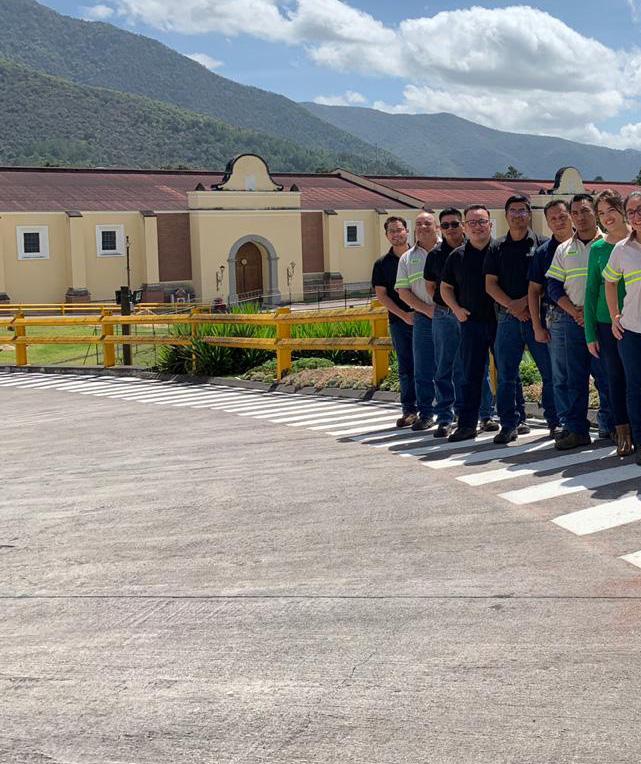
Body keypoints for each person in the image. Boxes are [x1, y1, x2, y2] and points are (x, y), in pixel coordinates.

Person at [484, 195, 558, 443]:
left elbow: (548, 282)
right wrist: (512, 306)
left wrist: (525, 304)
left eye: (522, 210)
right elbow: (490, 284)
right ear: (506, 215)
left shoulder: (543, 244)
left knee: (550, 373)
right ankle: (509, 424)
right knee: (506, 374)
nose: (518, 215)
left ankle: (555, 423)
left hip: (539, 316)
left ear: (530, 214)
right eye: (513, 211)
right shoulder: (496, 246)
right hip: (507, 318)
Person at [546, 194, 614, 450]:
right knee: (574, 379)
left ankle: (612, 426)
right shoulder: (564, 249)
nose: (580, 217)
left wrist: (592, 312)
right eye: (575, 213)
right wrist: (573, 311)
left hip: (602, 322)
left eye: (585, 211)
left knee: (607, 376)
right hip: (572, 321)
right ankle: (577, 430)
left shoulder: (610, 244)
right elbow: (553, 286)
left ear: (595, 212)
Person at [424, 207, 498, 438]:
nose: (477, 226)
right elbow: (440, 288)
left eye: (482, 221)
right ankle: (464, 424)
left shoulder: (500, 250)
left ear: (490, 224)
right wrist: (456, 309)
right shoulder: (455, 256)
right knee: (467, 373)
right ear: (467, 226)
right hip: (469, 321)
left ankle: (507, 420)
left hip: (500, 320)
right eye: (472, 222)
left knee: (506, 372)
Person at [585, 190, 631, 456]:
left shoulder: (636, 241)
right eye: (601, 213)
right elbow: (591, 292)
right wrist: (590, 334)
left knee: (636, 378)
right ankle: (622, 432)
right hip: (606, 324)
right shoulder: (598, 249)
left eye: (611, 210)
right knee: (615, 378)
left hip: (635, 321)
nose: (606, 217)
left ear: (622, 210)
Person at [528, 199, 574, 438]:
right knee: (561, 375)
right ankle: (566, 423)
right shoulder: (543, 252)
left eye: (562, 216)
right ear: (547, 222)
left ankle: (608, 423)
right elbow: (534, 290)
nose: (558, 221)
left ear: (571, 215)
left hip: (591, 316)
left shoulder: (592, 243)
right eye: (553, 218)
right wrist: (537, 326)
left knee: (601, 372)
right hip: (557, 317)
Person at [603, 191, 641, 466]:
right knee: (635, 389)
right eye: (632, 212)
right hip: (632, 332)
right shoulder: (621, 249)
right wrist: (614, 315)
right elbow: (609, 282)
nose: (637, 216)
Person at [395, 210, 440, 430]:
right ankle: (427, 413)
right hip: (423, 317)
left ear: (437, 227)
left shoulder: (448, 250)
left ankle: (455, 412)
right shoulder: (406, 258)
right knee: (422, 368)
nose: (422, 227)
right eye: (419, 224)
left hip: (450, 315)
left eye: (427, 223)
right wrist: (426, 310)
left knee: (454, 366)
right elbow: (403, 291)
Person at [372, 216, 415, 427]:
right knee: (406, 367)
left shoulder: (422, 256)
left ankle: (441, 409)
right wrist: (404, 315)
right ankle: (410, 410)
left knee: (438, 365)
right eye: (392, 231)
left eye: (399, 229)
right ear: (386, 235)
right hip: (399, 322)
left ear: (407, 231)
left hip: (427, 319)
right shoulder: (381, 264)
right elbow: (382, 295)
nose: (396, 234)